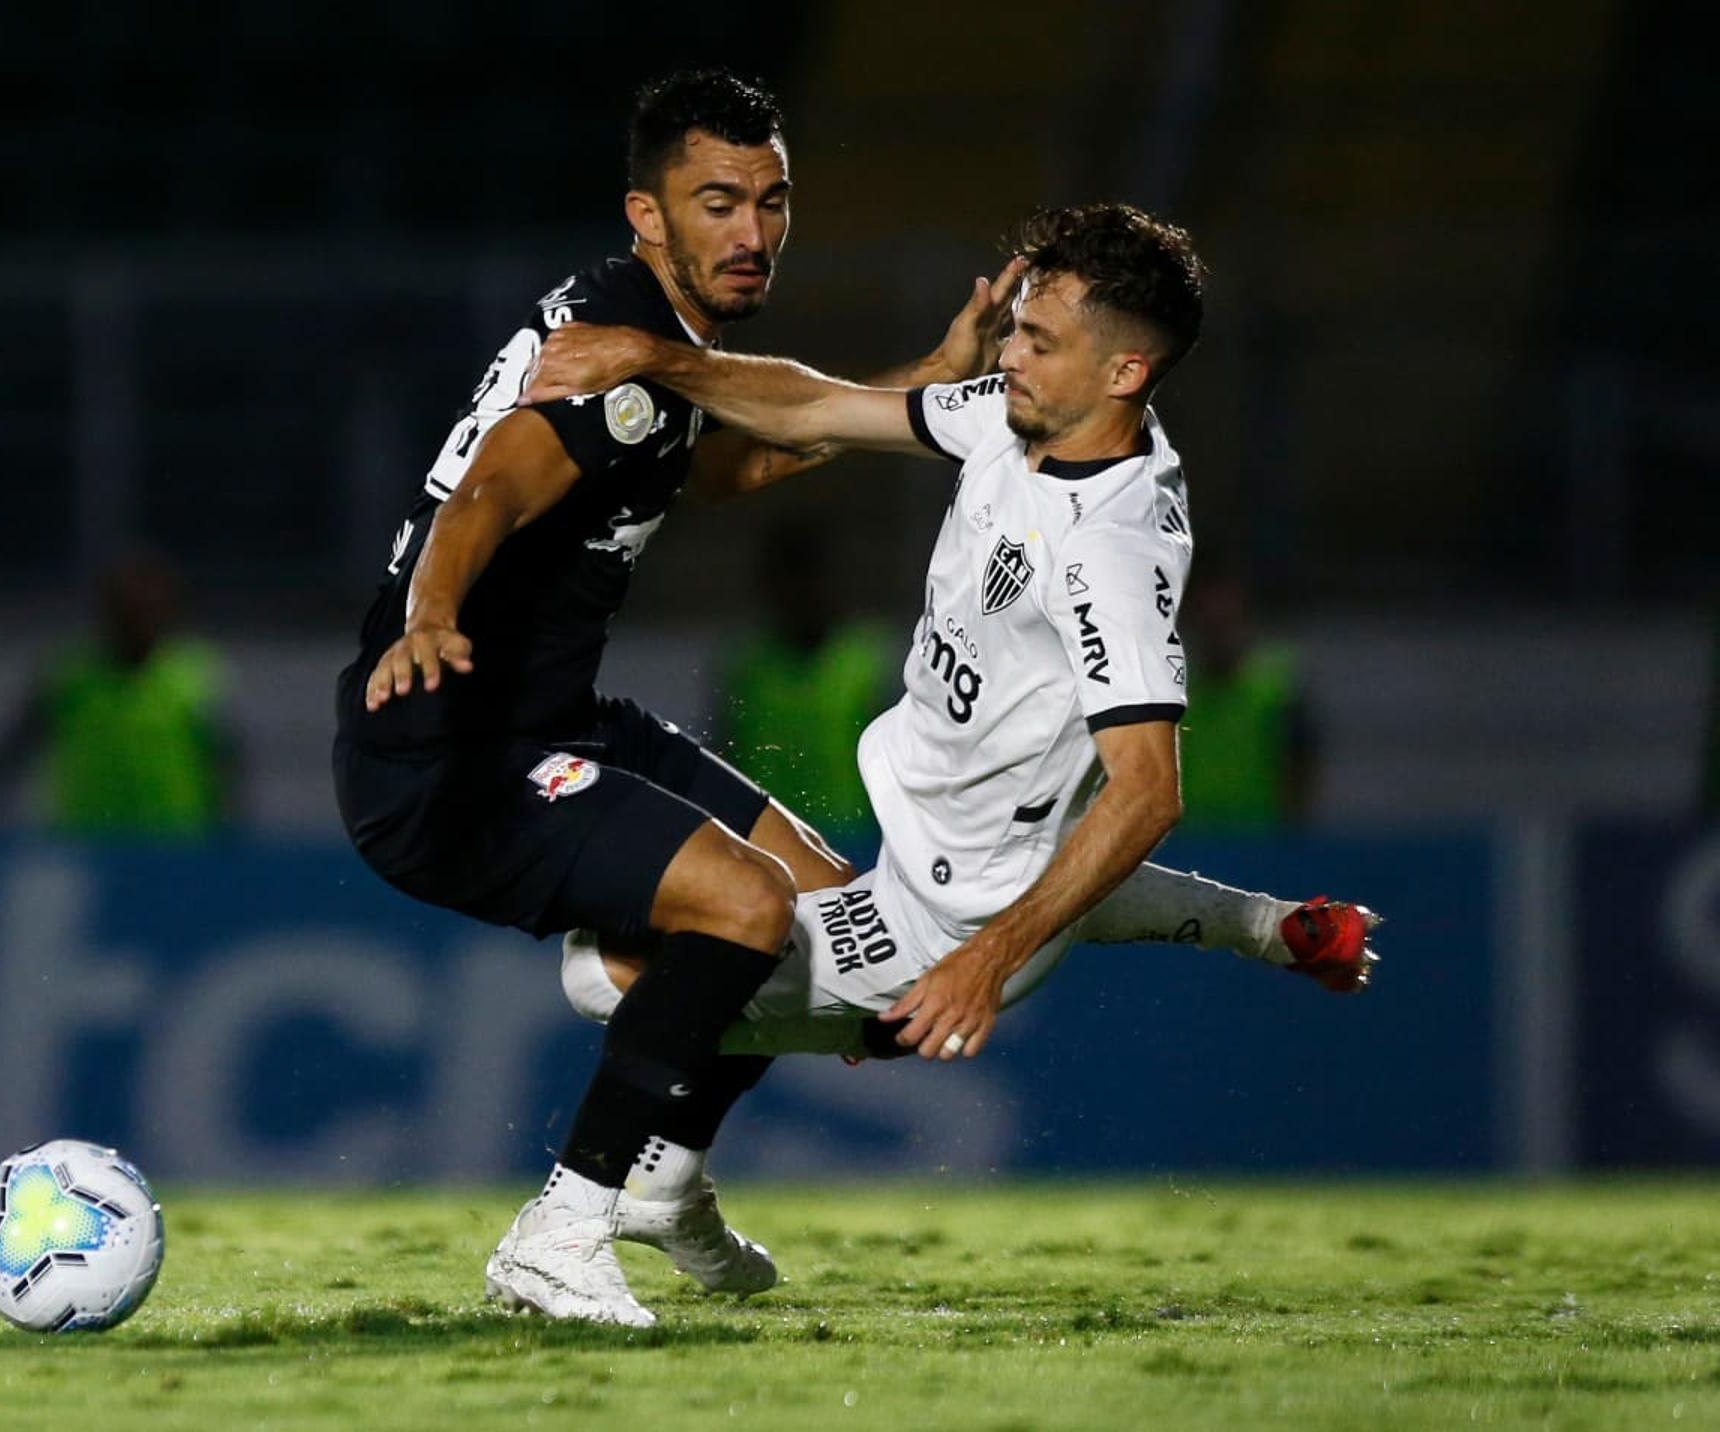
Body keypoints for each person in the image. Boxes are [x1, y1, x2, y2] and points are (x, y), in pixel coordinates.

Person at [332, 69, 1024, 1329]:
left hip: (554, 716)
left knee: (838, 920)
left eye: (772, 200)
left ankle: (664, 1173)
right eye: (718, 202)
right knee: (744, 908)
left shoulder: (657, 341)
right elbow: (488, 489)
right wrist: (432, 610)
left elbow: (734, 459)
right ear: (647, 215)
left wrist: (930, 370)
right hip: (449, 745)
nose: (752, 231)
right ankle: (562, 1226)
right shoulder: (612, 344)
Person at [523, 202, 1377, 1079]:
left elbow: (1150, 794)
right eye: (1018, 331)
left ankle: (604, 1198)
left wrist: (985, 962)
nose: (1009, 355)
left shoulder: (1108, 552)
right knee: (992, 850)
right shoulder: (1021, 424)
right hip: (933, 847)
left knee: (603, 973)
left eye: (1039, 342)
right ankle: (1270, 928)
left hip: (956, 920)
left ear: (1124, 371)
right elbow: (819, 405)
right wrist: (661, 359)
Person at [0, 552, 239, 837]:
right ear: (107, 613)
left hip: (175, 847)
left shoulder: (193, 678)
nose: (138, 622)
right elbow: (11, 753)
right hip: (87, 848)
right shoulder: (70, 678)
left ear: (169, 614)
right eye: (128, 612)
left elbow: (225, 764)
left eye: (149, 611)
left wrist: (226, 835)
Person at [715, 519, 898, 859]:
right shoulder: (747, 664)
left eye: (808, 581)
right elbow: (723, 755)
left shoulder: (865, 658)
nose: (800, 594)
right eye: (787, 583)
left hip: (856, 842)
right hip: (766, 840)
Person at [1174, 561, 1316, 831]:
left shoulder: (1279, 686)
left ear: (1243, 618)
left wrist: (1293, 833)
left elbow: (1301, 767)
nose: (1217, 633)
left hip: (1261, 842)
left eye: (1225, 622)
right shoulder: (1174, 690)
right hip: (1191, 843)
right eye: (1208, 623)